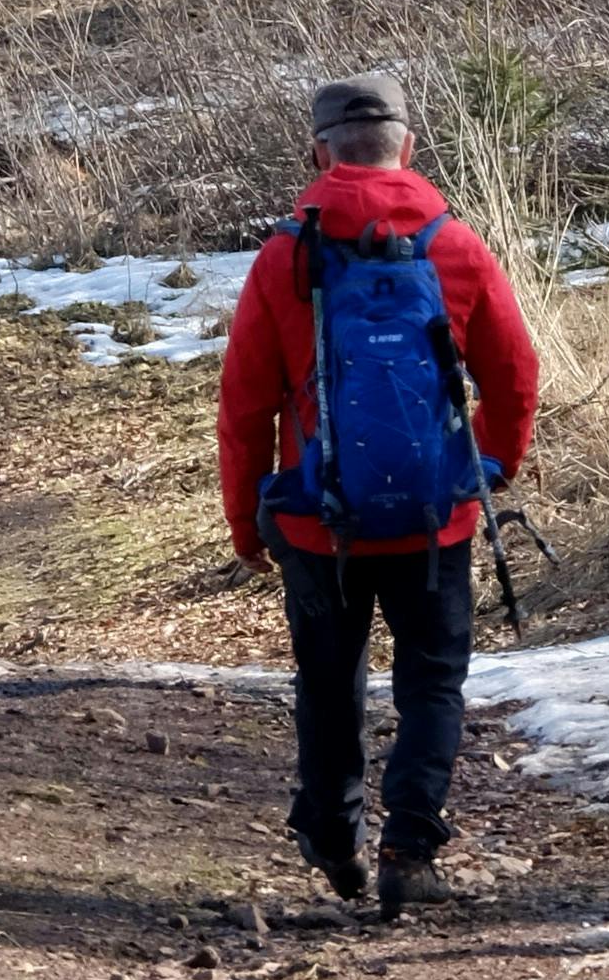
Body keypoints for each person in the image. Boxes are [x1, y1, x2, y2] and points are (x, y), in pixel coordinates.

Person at [215, 71, 539, 921]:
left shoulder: (286, 255)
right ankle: (409, 849)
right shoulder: (455, 245)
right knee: (432, 682)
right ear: (410, 145)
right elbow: (513, 375)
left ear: (318, 150)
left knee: (328, 681)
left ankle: (330, 831)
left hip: (320, 521)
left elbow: (245, 402)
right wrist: (492, 467)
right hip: (437, 517)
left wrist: (247, 516)